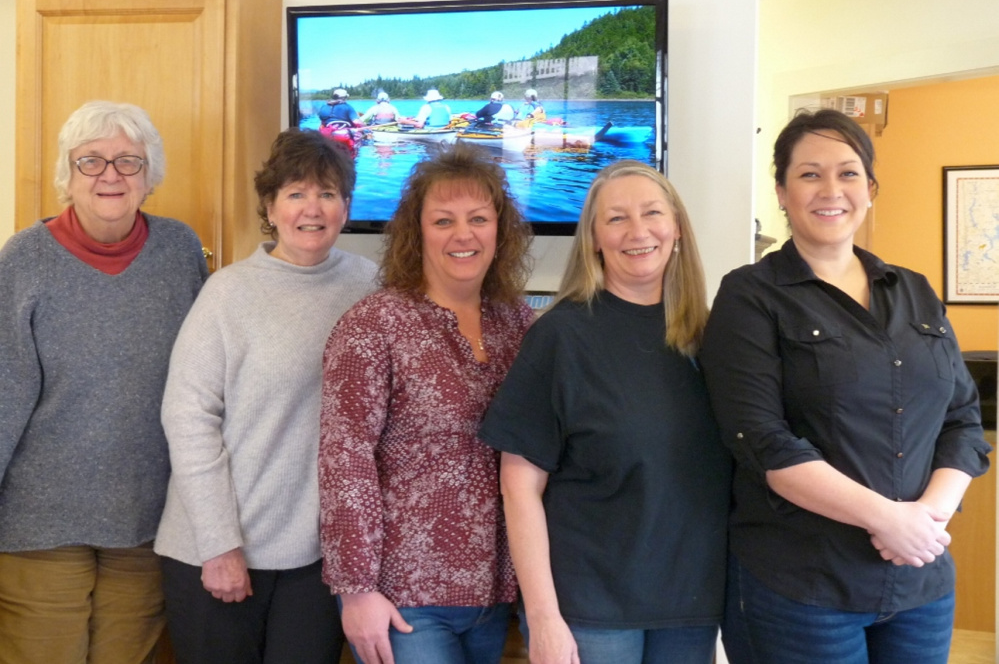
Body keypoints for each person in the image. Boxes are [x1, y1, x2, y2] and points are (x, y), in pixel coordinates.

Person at [698, 108, 992, 664]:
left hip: (919, 583)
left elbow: (962, 419)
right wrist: (889, 520)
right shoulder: (750, 295)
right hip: (801, 588)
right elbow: (761, 439)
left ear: (871, 188)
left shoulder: (915, 291)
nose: (830, 189)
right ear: (782, 192)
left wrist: (925, 521)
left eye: (848, 172)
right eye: (809, 174)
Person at [479, 161, 731, 664]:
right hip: (588, 607)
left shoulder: (714, 337)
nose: (637, 231)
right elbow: (518, 486)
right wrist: (545, 617)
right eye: (616, 218)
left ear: (676, 227)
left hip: (692, 602)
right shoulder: (560, 336)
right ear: (594, 238)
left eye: (652, 213)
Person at [155, 128, 378, 664]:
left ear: (346, 206)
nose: (313, 208)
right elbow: (187, 418)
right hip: (218, 549)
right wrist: (219, 544)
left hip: (319, 559)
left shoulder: (372, 286)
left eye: (328, 193)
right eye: (296, 193)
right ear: (270, 207)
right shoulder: (228, 292)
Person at [0, 100, 208, 663]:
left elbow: (206, 380)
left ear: (149, 175)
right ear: (68, 175)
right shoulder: (23, 259)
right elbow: (4, 392)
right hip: (40, 521)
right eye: (90, 161)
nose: (110, 175)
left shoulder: (181, 250)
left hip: (148, 516)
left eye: (128, 161)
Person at [319, 142, 535, 664]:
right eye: (443, 221)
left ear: (500, 230)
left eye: (478, 218)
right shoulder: (374, 325)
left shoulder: (521, 326)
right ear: (417, 234)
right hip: (405, 598)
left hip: (497, 594)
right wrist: (356, 590)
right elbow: (344, 460)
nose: (463, 234)